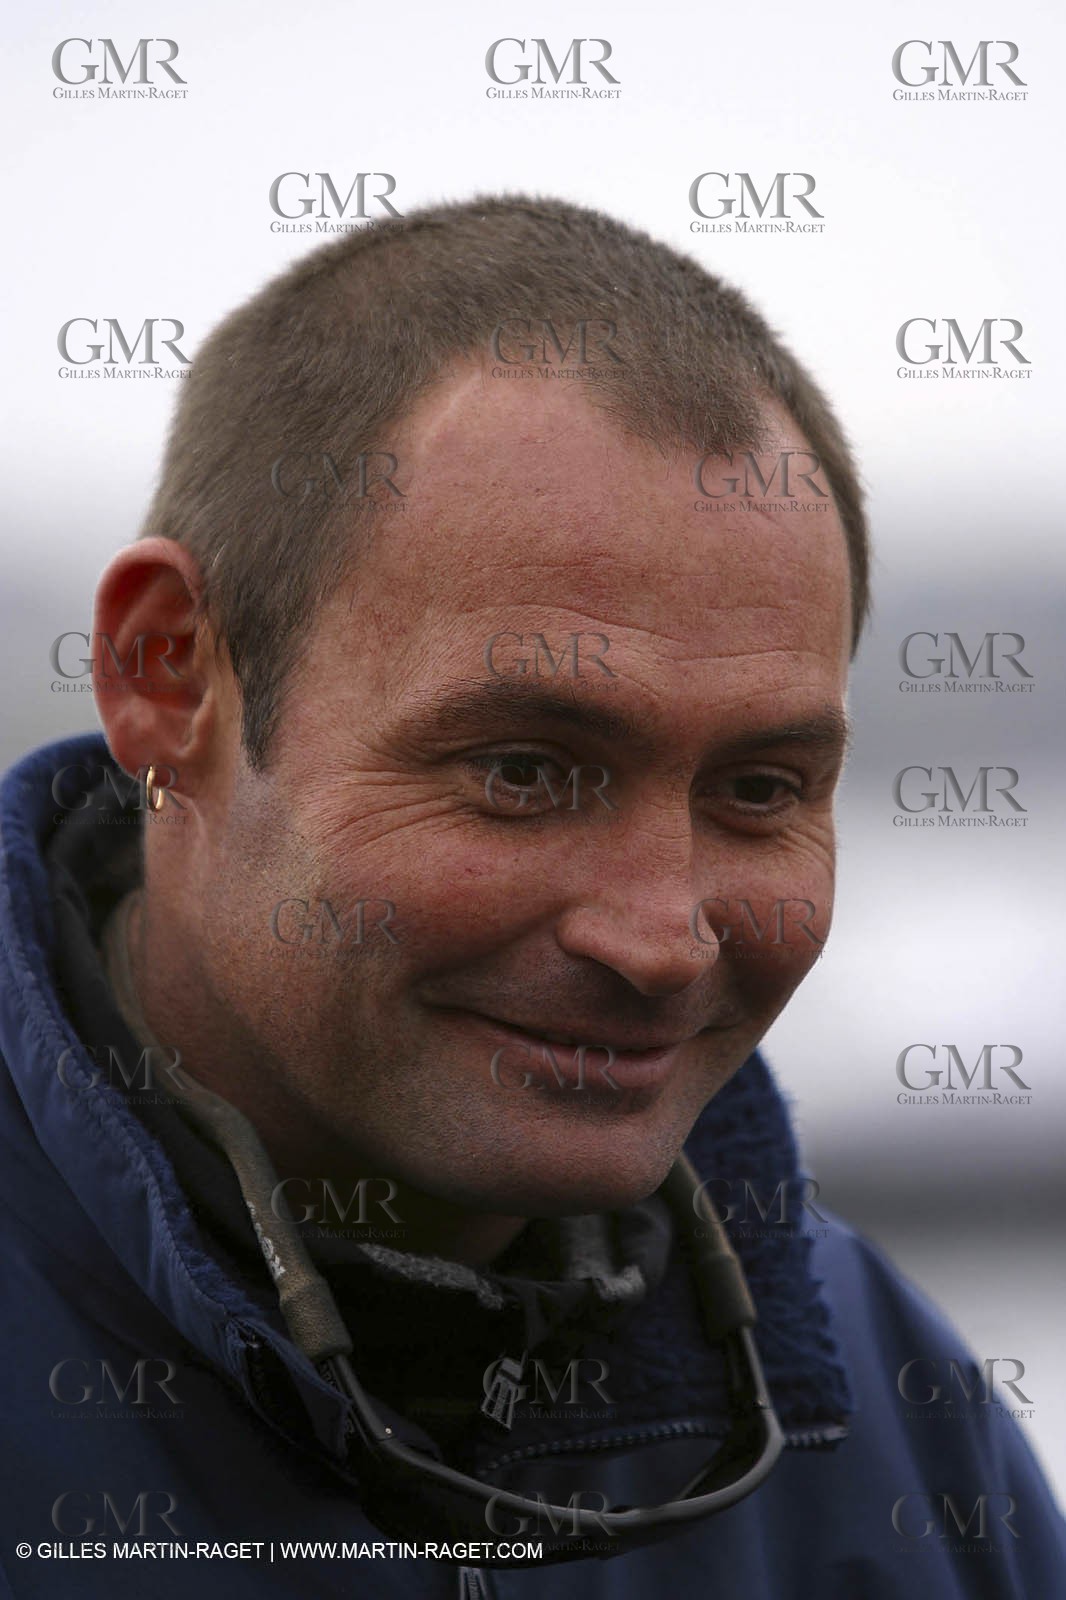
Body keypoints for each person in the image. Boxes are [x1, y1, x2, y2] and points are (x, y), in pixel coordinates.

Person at [1, 195, 1061, 1599]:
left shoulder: (883, 1431)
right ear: (169, 677)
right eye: (520, 770)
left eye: (757, 791)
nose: (658, 940)